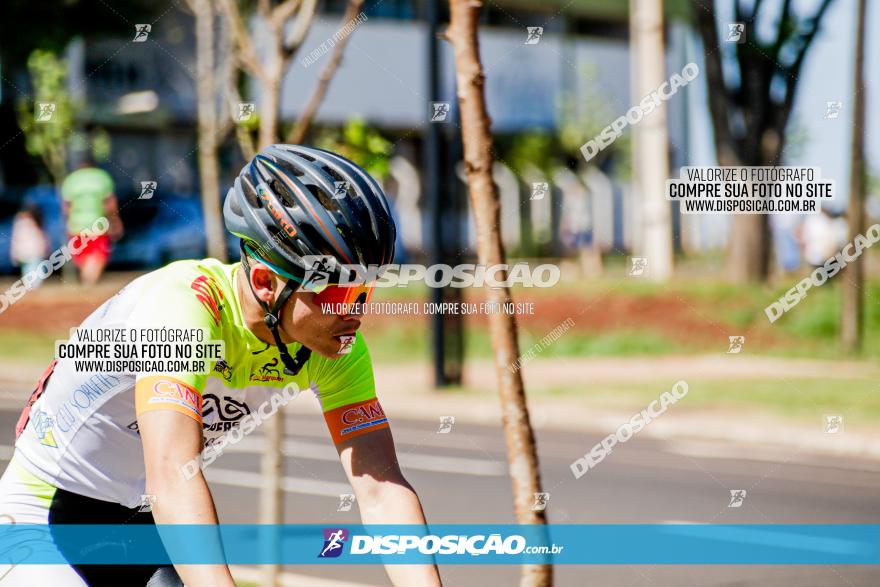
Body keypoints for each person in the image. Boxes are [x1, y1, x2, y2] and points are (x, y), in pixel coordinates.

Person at [0, 145, 442, 586]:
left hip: (136, 519)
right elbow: (172, 474)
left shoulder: (334, 343)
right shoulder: (183, 308)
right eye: (338, 293)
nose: (356, 312)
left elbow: (381, 491)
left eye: (365, 290)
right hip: (43, 514)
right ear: (266, 282)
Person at [60, 159, 123, 285]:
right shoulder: (102, 177)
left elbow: (66, 207)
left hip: (76, 226)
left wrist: (67, 221)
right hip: (97, 226)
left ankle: (87, 282)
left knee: (82, 257)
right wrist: (115, 220)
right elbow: (109, 203)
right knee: (98, 255)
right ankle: (89, 283)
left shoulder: (71, 179)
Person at [10, 203, 49, 285]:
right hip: (29, 253)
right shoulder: (25, 224)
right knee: (31, 270)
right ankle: (33, 286)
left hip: (31, 253)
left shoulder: (29, 224)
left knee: (32, 270)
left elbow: (15, 240)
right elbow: (16, 240)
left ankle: (33, 286)